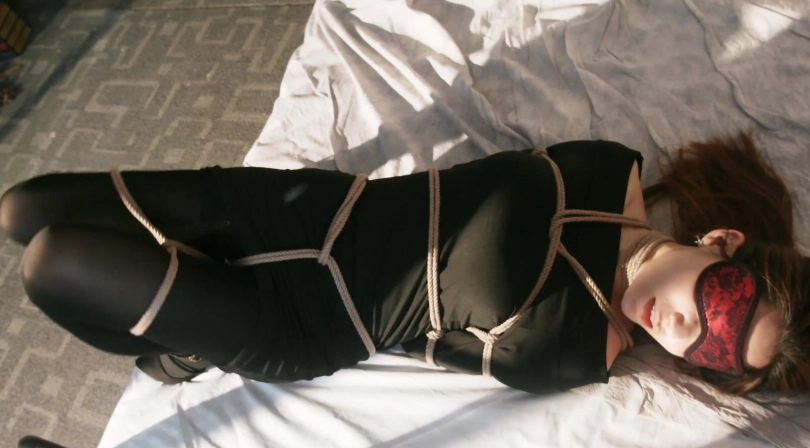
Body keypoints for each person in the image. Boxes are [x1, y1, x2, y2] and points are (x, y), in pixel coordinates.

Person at [0, 132, 806, 396]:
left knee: (54, 261)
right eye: (721, 304)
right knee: (21, 209)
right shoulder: (606, 168)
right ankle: (177, 345)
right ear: (723, 242)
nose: (683, 328)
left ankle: (179, 354)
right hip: (301, 208)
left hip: (299, 321)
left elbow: (424, 344)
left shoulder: (580, 349)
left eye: (711, 349)